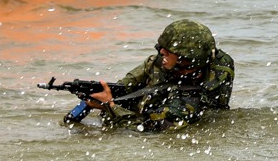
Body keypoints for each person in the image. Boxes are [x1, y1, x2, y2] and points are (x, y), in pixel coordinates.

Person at [83, 19, 234, 131]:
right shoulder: (162, 62)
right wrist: (105, 94)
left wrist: (110, 107)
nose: (161, 52)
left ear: (186, 58)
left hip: (177, 118)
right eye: (161, 47)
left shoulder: (193, 99)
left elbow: (149, 130)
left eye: (168, 51)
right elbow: (124, 87)